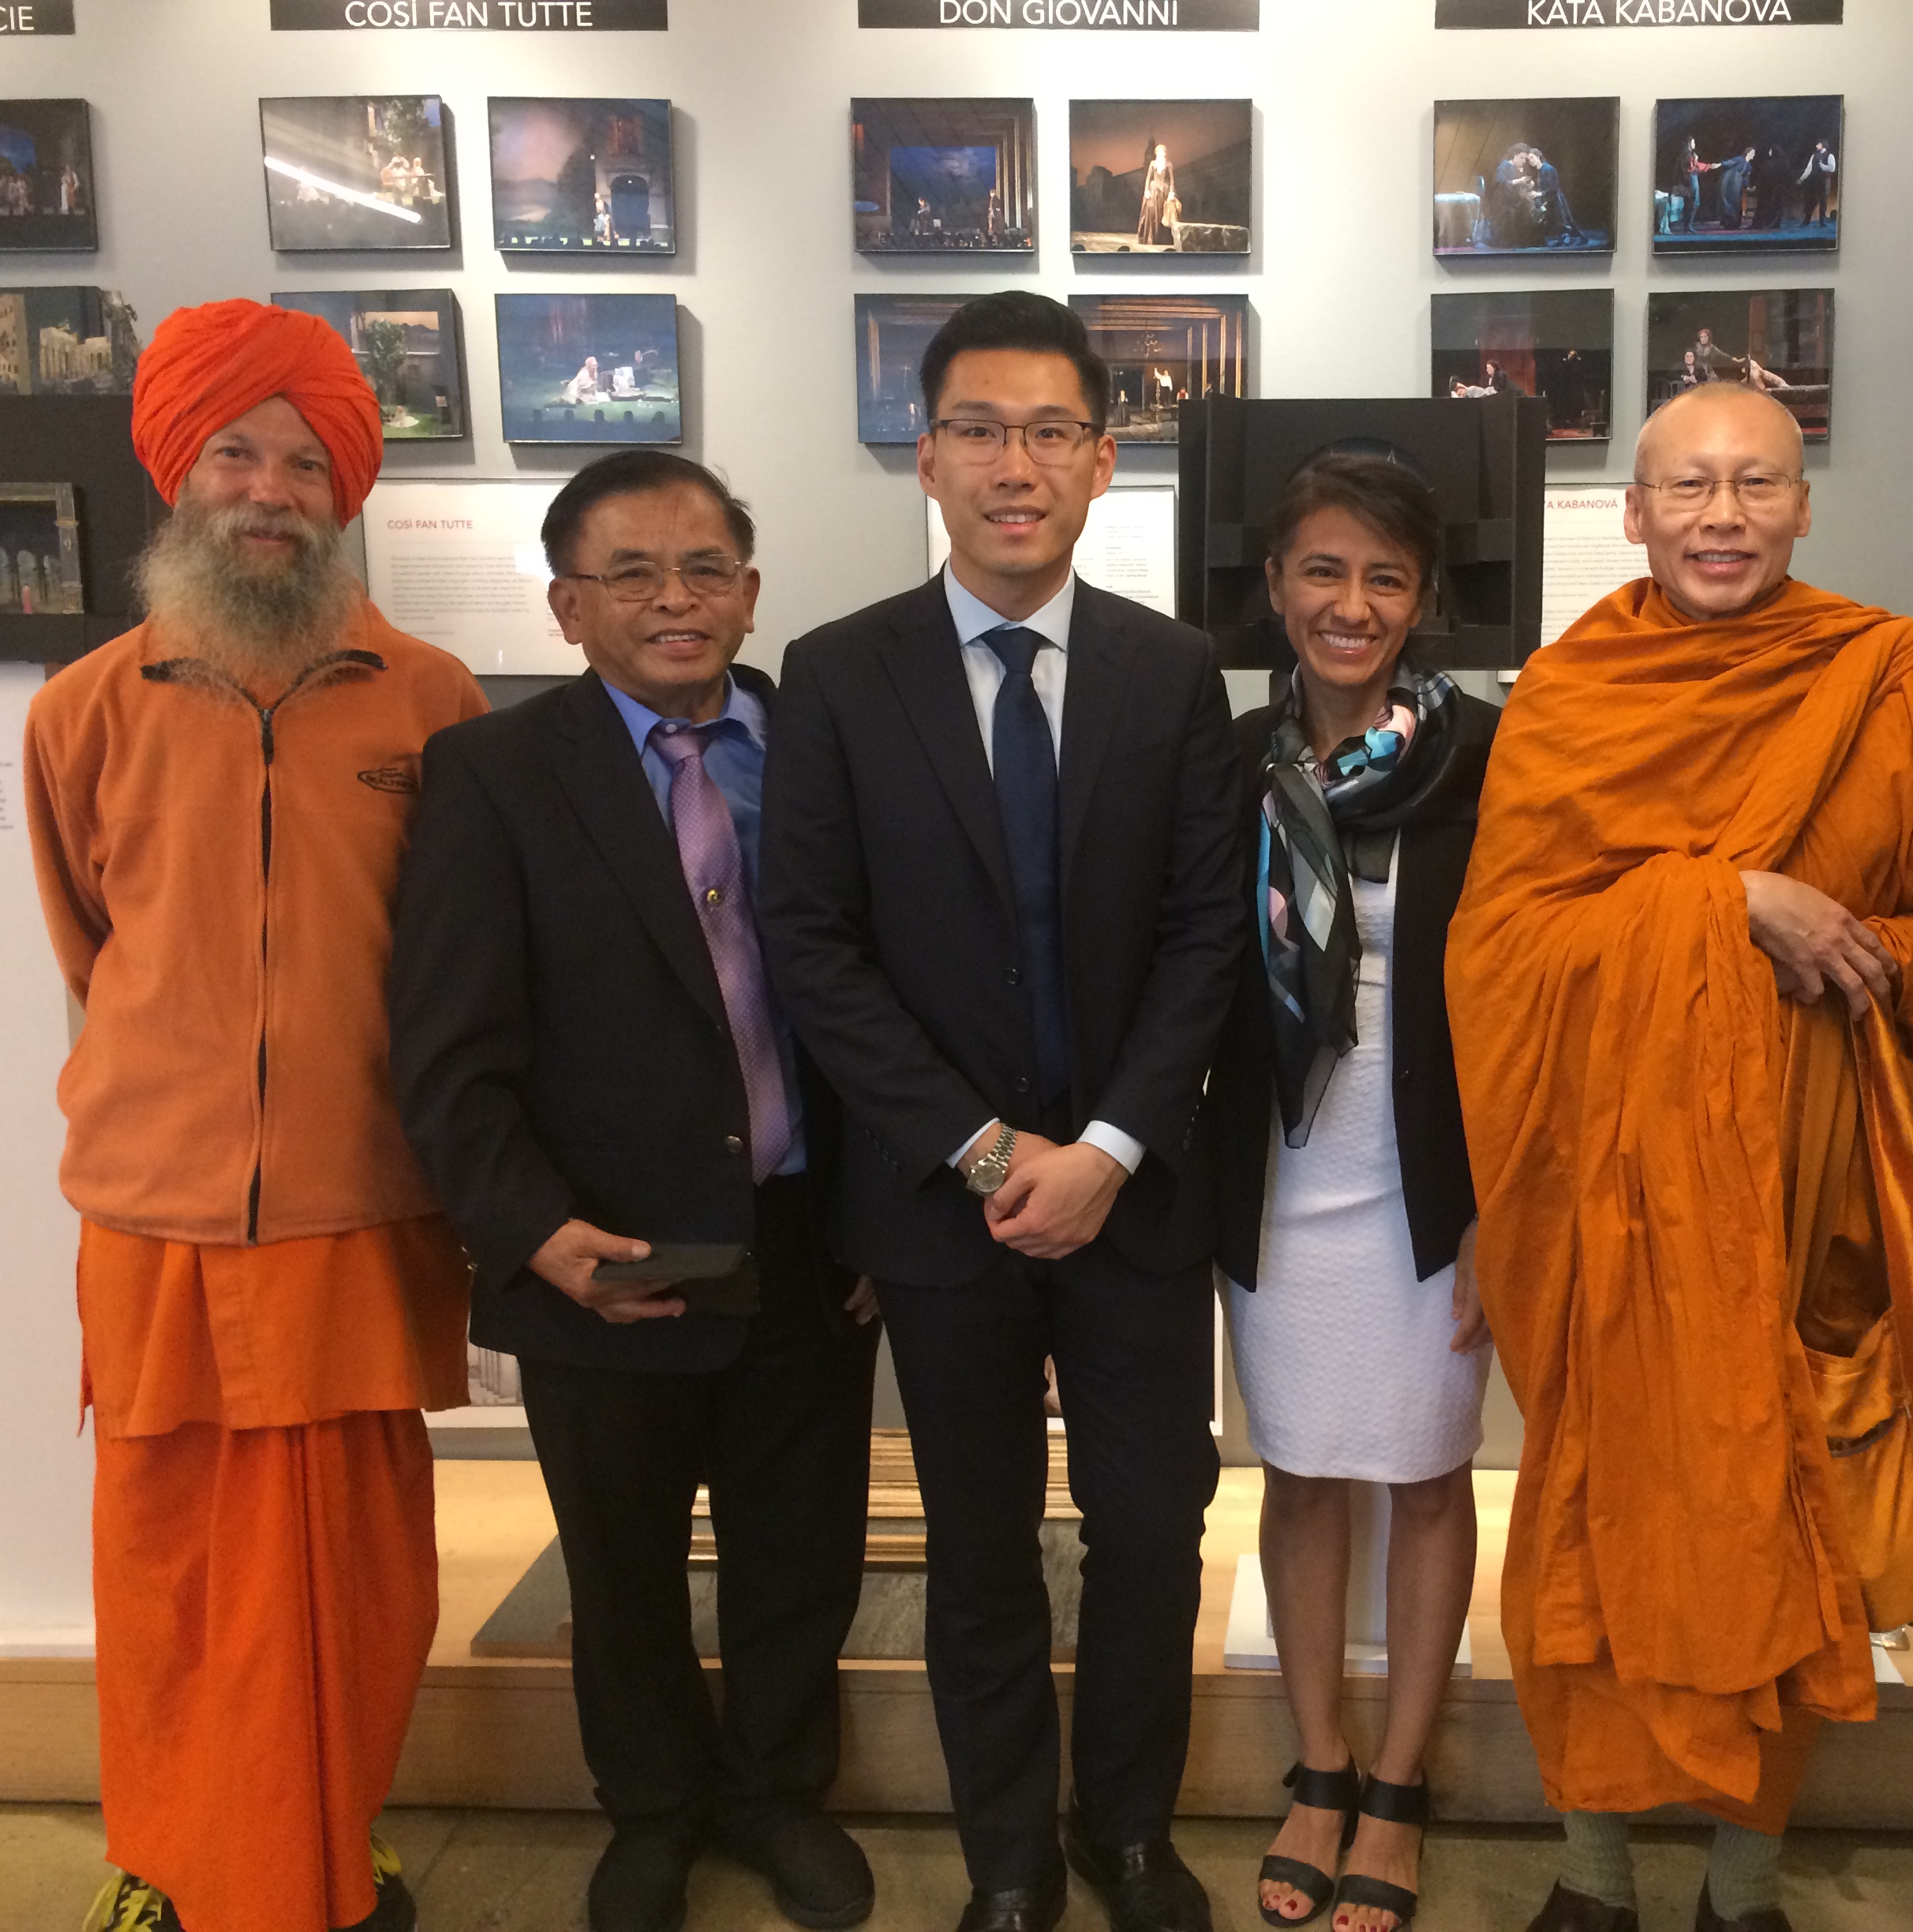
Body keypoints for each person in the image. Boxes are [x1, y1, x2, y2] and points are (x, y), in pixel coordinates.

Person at [1445, 384, 1913, 1932]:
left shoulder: (1901, 680)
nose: (1722, 515)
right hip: (1602, 1190)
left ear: (1802, 504)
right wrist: (1727, 905)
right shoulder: (1570, 694)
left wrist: (1847, 944)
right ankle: (1589, 1875)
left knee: (1785, 1511)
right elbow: (1500, 946)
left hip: (1803, 1177)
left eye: (1756, 483)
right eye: (1688, 486)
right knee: (1592, 1504)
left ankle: (1745, 1883)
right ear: (1632, 513)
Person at [759, 290, 1249, 1932]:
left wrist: (1103, 1150)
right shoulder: (837, 674)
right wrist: (981, 1152)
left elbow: (1204, 936)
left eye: (1050, 431)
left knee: (1149, 1530)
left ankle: (1127, 1832)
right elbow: (813, 946)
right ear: (927, 457)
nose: (1012, 464)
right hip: (939, 1207)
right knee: (975, 1550)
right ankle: (1010, 1864)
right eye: (978, 429)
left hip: (1131, 1200)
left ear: (1103, 461)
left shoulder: (1172, 673)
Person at [21, 298, 489, 1932]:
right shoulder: (83, 707)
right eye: (237, 453)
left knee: (356, 1566)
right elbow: (91, 943)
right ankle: (168, 1856)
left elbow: (463, 963)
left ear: (344, 488)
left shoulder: (431, 701)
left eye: (304, 462)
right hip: (154, 1216)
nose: (271, 491)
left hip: (362, 1205)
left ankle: (328, 1841)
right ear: (180, 471)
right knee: (168, 1566)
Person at [388, 451, 882, 1932]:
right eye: (631, 573)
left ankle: (776, 1793)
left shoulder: (827, 747)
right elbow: (447, 1045)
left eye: (705, 567)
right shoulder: (492, 774)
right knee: (620, 1565)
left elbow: (889, 997)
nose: (675, 598)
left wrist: (885, 1209)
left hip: (807, 1238)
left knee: (802, 1549)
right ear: (566, 606)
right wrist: (534, 1233)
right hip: (600, 1249)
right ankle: (653, 1808)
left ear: (750, 589)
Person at [1201, 454, 1501, 1932]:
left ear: (1422, 598)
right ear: (1275, 585)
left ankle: (1398, 1781)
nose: (1351, 603)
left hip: (1432, 1177)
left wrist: (1506, 1205)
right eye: (1322, 570)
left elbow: (1531, 994)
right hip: (1278, 1171)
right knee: (1302, 1469)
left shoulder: (1488, 755)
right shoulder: (1221, 763)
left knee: (1429, 1474)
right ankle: (1317, 1766)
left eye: (1385, 577)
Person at [1138, 141, 1176, 247]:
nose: (1160, 153)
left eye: (1162, 151)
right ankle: (1152, 237)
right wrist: (1146, 190)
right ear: (1156, 153)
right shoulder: (1153, 163)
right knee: (1152, 213)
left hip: (1164, 191)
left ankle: (1163, 238)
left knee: (1163, 213)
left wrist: (1171, 192)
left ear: (1165, 153)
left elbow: (1171, 179)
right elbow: (1148, 178)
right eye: (1159, 152)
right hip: (1154, 190)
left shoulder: (1169, 164)